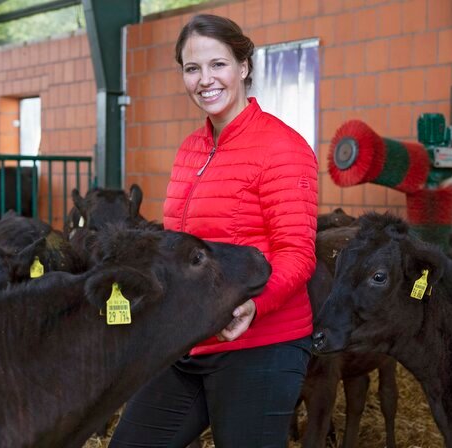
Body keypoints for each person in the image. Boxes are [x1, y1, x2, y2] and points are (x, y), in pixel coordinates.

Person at [108, 14, 318, 448]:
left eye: (218, 64)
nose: (205, 79)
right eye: (192, 68)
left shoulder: (282, 147)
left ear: (243, 66)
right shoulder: (190, 149)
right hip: (191, 339)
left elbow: (296, 253)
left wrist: (253, 307)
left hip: (260, 345)